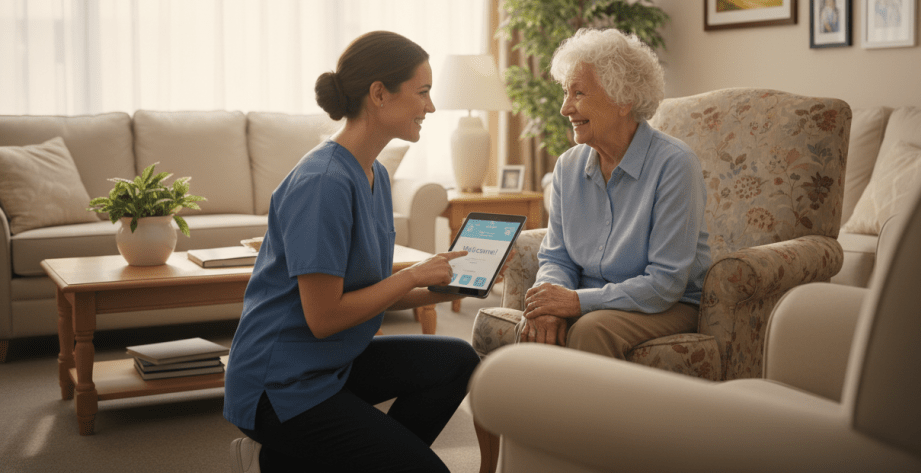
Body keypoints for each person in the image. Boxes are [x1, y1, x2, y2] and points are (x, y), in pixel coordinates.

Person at [224, 31, 480, 473]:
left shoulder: (373, 173)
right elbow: (324, 319)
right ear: (379, 94)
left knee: (456, 360)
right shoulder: (323, 183)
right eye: (423, 92)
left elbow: (367, 293)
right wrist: (412, 275)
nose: (431, 107)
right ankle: (276, 454)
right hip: (282, 384)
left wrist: (449, 286)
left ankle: (292, 463)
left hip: (334, 364)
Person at [516, 28, 711, 361]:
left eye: (578, 93)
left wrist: (576, 302)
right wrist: (548, 303)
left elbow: (665, 284)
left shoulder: (675, 165)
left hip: (666, 304)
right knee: (535, 325)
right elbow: (557, 258)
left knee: (591, 329)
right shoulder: (567, 167)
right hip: (589, 298)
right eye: (566, 92)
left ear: (624, 100)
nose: (565, 108)